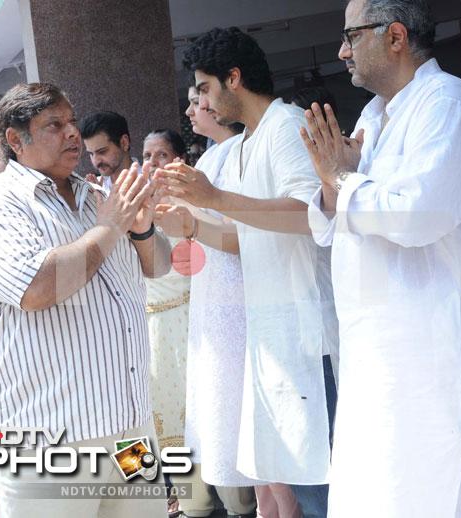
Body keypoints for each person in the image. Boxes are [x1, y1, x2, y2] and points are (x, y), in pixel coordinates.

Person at [302, 0, 461, 516]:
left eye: (351, 36)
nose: (341, 51)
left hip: (436, 352)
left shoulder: (450, 104)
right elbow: (339, 211)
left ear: (396, 37)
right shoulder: (376, 115)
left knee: (440, 487)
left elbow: (418, 213)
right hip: (380, 353)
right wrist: (335, 181)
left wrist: (342, 179)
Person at [0, 82, 171, 518]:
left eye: (72, 121)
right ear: (16, 141)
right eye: (55, 125)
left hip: (129, 432)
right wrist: (111, 227)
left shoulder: (98, 197)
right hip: (45, 445)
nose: (73, 133)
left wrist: (142, 228)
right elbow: (39, 289)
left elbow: (157, 267)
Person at [154, 27, 337, 518]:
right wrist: (190, 223)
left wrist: (211, 199)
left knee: (321, 490)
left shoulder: (286, 126)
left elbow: (306, 215)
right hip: (268, 338)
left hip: (307, 338)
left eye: (206, 88)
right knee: (287, 488)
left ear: (233, 79)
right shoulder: (245, 145)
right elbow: (239, 238)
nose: (204, 102)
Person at [155, 83, 259, 518]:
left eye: (200, 99)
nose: (193, 108)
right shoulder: (213, 158)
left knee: (245, 433)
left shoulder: (240, 152)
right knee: (200, 423)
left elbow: (237, 235)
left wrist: (189, 221)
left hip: (236, 303)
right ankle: (193, 500)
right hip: (201, 307)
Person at [139, 128, 194, 517]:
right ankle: (156, 496)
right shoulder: (132, 205)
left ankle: (196, 497)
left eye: (162, 155)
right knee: (147, 413)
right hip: (144, 326)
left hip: (185, 319)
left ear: (179, 160)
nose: (153, 163)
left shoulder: (194, 204)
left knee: (186, 410)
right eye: (148, 155)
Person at [81, 110, 136, 191]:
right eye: (91, 154)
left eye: (102, 151)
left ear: (124, 143)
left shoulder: (152, 182)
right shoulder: (93, 187)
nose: (96, 161)